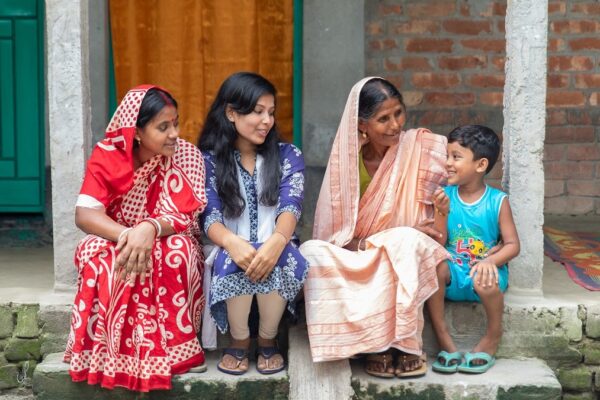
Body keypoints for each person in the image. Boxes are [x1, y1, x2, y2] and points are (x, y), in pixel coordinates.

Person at [299, 77, 449, 378]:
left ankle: (401, 344)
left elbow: (430, 233)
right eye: (383, 118)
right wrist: (370, 243)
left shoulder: (420, 149)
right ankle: (374, 344)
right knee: (310, 252)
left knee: (404, 240)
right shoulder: (347, 161)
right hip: (360, 251)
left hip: (405, 251)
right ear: (362, 125)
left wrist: (390, 238)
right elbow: (336, 233)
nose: (395, 124)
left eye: (398, 113)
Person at [64, 85, 208, 392]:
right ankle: (108, 352)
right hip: (122, 236)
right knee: (93, 249)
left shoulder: (187, 155)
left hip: (169, 235)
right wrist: (130, 234)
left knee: (177, 251)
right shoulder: (108, 156)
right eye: (163, 127)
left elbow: (186, 216)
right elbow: (85, 215)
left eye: (176, 123)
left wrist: (151, 229)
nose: (174, 133)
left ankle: (173, 350)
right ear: (138, 132)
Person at [198, 72, 309, 375]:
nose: (267, 121)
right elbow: (209, 214)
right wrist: (233, 243)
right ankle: (239, 339)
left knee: (282, 256)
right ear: (231, 113)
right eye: (258, 111)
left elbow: (292, 203)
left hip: (278, 244)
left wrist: (277, 241)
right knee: (232, 257)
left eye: (271, 112)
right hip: (227, 246)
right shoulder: (207, 160)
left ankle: (268, 338)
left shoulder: (289, 155)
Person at [428, 125, 520, 374]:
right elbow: (438, 244)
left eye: (456, 157)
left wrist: (492, 261)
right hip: (454, 274)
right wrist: (440, 213)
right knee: (435, 266)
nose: (447, 163)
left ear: (480, 165)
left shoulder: (497, 201)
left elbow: (513, 245)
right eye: (447, 155)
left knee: (485, 277)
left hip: (486, 277)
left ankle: (491, 337)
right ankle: (444, 339)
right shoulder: (445, 196)